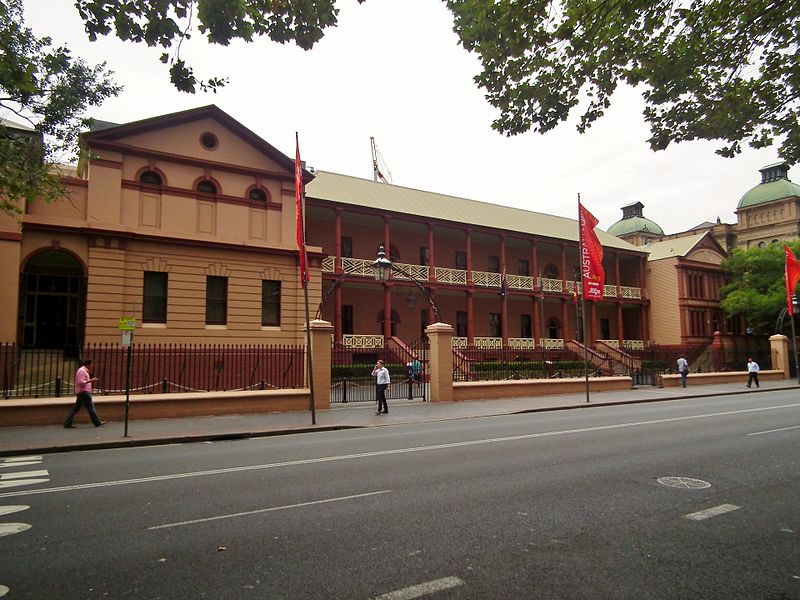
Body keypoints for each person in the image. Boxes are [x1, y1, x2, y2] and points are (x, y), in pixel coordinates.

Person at [64, 359, 106, 428]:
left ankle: (67, 423)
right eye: (91, 364)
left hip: (82, 392)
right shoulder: (82, 371)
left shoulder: (83, 370)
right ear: (88, 364)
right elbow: (81, 382)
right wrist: (91, 380)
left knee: (76, 408)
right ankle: (97, 422)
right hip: (84, 392)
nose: (91, 366)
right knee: (91, 407)